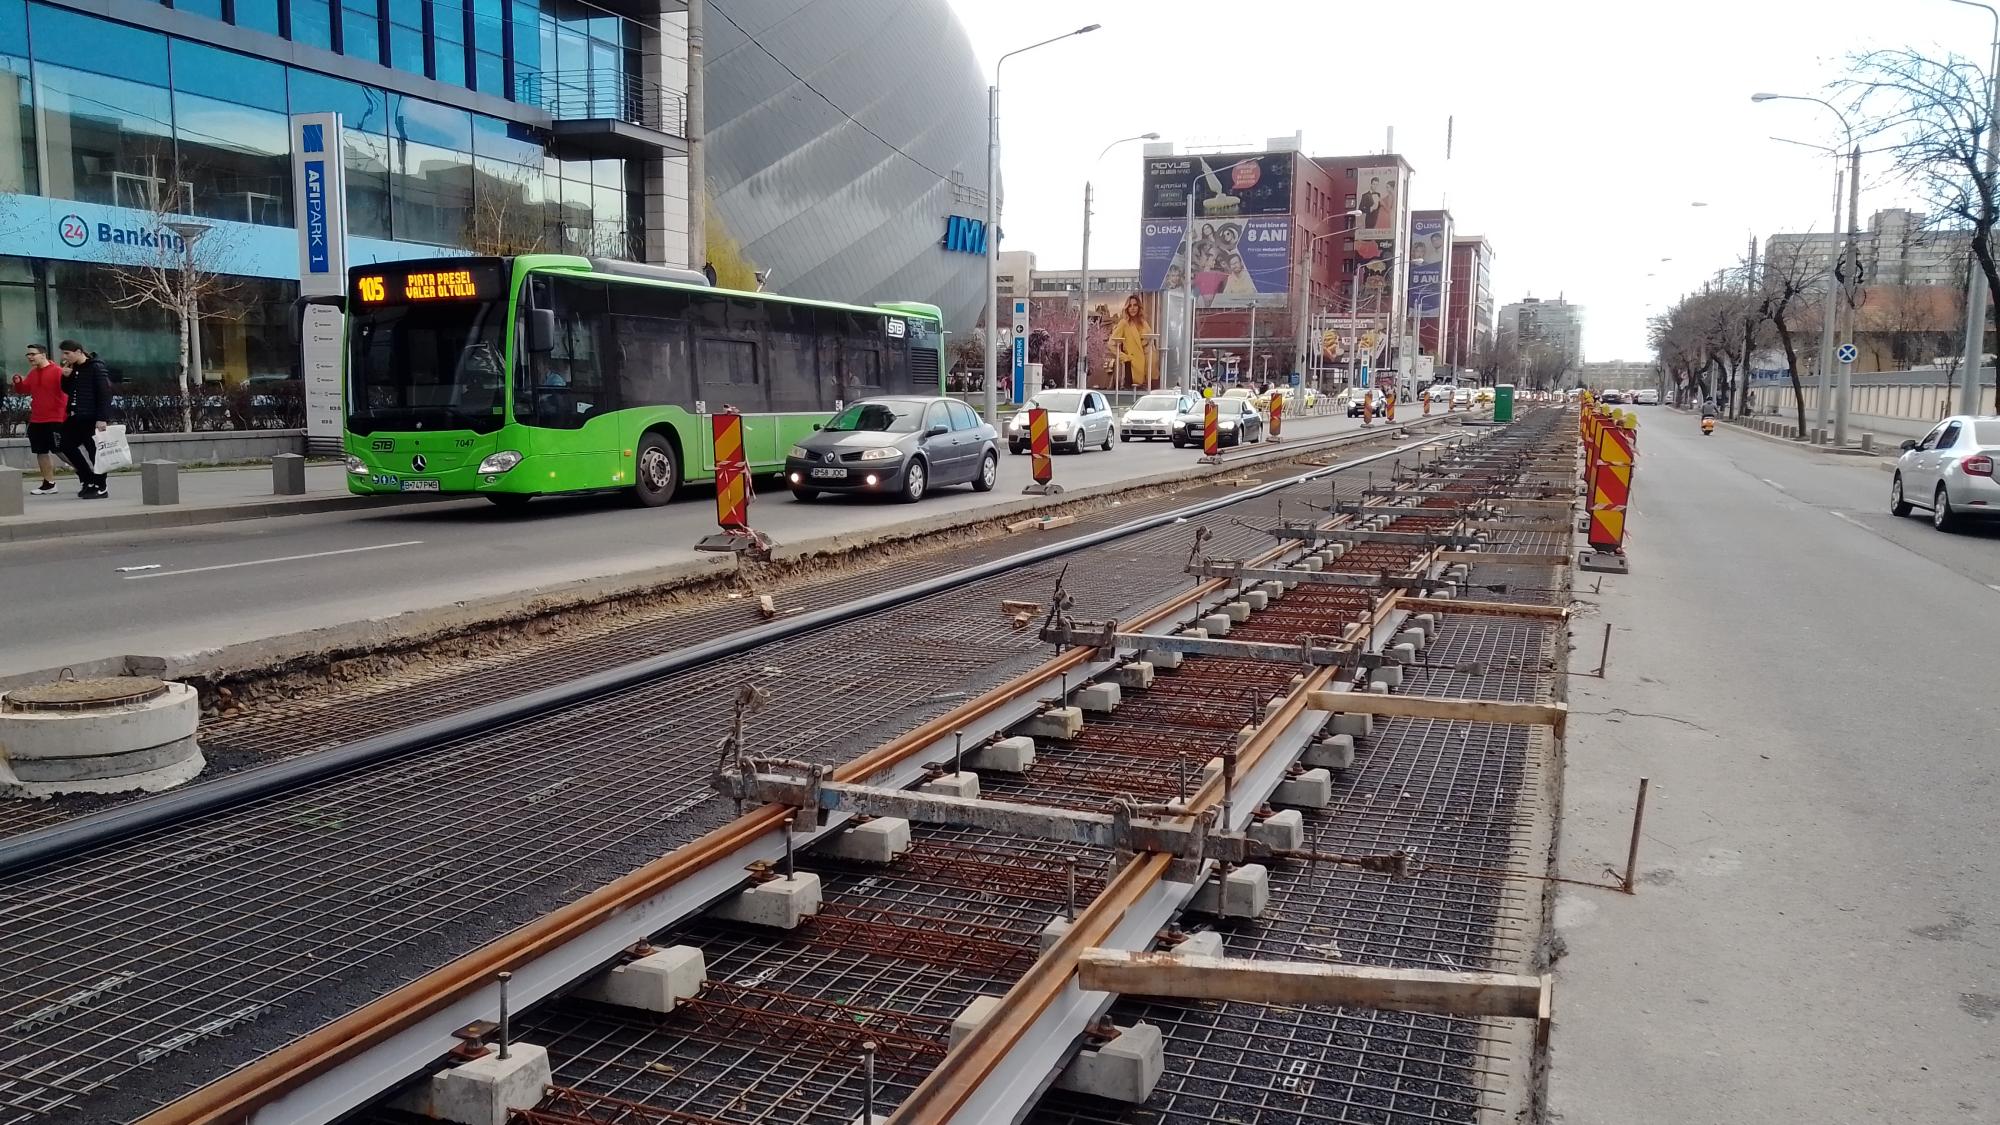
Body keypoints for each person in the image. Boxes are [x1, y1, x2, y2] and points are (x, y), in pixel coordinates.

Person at [56, 339, 114, 499]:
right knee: (64, 444)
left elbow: (105, 393)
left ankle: (101, 486)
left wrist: (102, 418)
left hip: (91, 417)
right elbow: (68, 390)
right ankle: (87, 478)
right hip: (76, 415)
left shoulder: (95, 367)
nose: (64, 357)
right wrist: (66, 377)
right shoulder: (74, 368)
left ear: (79, 352)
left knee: (94, 452)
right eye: (63, 353)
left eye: (67, 353)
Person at [11, 344, 68, 496]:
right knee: (41, 452)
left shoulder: (57, 371)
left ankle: (86, 473)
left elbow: (68, 392)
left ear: (43, 355)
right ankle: (49, 484)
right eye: (28, 354)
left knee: (61, 450)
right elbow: (24, 389)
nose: (30, 357)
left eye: (33, 354)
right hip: (37, 419)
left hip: (55, 418)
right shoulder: (33, 373)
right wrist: (18, 382)